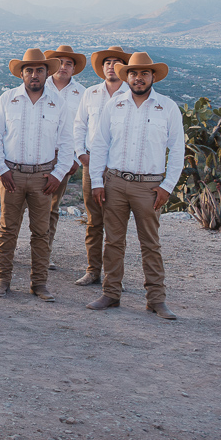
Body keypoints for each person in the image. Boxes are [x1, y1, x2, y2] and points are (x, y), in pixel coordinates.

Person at [87, 52, 185, 320]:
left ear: (153, 77)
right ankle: (110, 294)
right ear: (126, 76)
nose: (138, 78)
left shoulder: (167, 107)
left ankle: (156, 299)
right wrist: (97, 181)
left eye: (143, 73)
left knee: (150, 244)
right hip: (115, 182)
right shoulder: (114, 106)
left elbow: (177, 150)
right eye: (133, 73)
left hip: (150, 187)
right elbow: (100, 145)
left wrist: (167, 187)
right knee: (113, 242)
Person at [0, 49, 74, 302]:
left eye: (39, 70)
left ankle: (39, 283)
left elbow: (67, 143)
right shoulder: (7, 99)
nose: (34, 75)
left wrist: (58, 174)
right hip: (12, 175)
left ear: (47, 73)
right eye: (29, 70)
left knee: (41, 232)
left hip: (43, 177)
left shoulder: (58, 103)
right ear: (22, 73)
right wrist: (2, 170)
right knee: (7, 229)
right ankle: (2, 280)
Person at [72, 46, 131, 286]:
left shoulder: (133, 95)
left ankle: (114, 276)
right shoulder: (90, 94)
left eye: (117, 62)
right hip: (92, 166)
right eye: (107, 62)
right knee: (93, 221)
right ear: (102, 67)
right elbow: (79, 125)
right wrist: (81, 154)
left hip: (119, 170)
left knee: (116, 225)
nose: (111, 65)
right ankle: (92, 270)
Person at [44, 45, 89, 268]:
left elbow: (84, 127)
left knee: (52, 207)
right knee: (14, 207)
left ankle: (44, 252)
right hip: (33, 156)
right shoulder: (37, 86)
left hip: (63, 157)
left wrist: (74, 157)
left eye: (68, 63)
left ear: (74, 69)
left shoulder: (83, 94)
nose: (63, 67)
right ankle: (5, 251)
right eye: (59, 62)